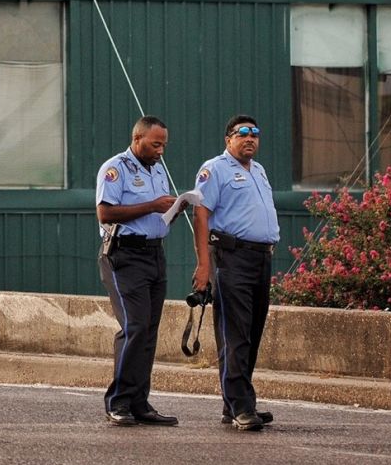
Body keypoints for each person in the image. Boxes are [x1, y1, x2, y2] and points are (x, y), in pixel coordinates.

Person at [192, 114, 282, 432]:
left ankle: (235, 404)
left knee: (252, 332)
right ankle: (241, 405)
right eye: (242, 133)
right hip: (231, 258)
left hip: (260, 259)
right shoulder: (215, 169)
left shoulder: (258, 170)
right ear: (228, 138)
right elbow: (200, 214)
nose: (250, 138)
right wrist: (204, 264)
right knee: (235, 333)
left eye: (255, 134)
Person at [95, 115, 180, 427]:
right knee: (135, 327)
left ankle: (140, 402)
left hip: (154, 254)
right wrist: (153, 205)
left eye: (164, 145)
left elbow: (159, 211)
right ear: (137, 140)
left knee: (150, 330)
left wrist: (173, 208)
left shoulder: (157, 169)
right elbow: (105, 212)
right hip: (124, 255)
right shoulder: (116, 168)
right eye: (155, 144)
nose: (161, 150)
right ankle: (117, 401)